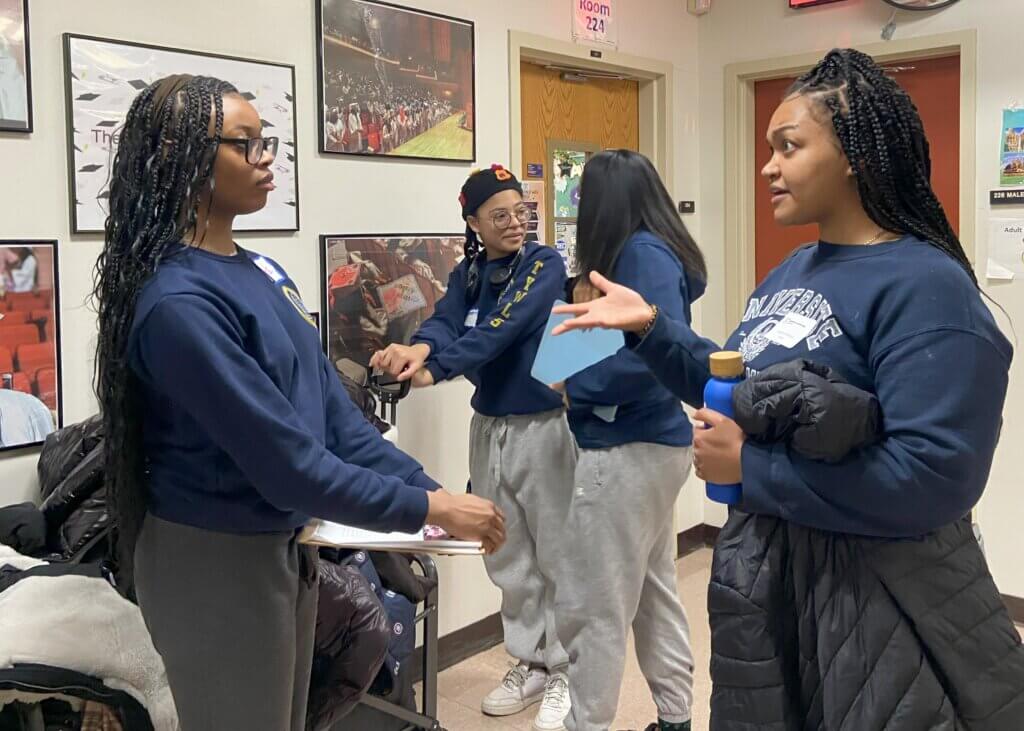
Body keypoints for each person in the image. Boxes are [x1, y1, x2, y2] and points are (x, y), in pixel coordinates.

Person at [553, 49, 1024, 729]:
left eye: (789, 146)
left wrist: (752, 469)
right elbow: (740, 386)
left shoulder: (928, 286)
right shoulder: (793, 270)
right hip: (775, 589)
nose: (768, 167)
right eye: (769, 148)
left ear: (854, 154)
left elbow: (932, 479)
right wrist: (651, 328)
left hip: (877, 607)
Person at [91, 74, 506, 731]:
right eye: (246, 144)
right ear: (182, 155)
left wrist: (429, 493)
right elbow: (289, 465)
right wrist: (430, 510)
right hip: (214, 559)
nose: (267, 159)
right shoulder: (178, 305)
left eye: (267, 142)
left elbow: (337, 421)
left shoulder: (258, 271)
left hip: (282, 543)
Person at [372, 165, 576, 731]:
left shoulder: (544, 265)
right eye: (499, 215)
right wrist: (416, 349)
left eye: (520, 212)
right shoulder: (468, 273)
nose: (514, 223)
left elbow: (499, 330)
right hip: (489, 426)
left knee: (557, 550)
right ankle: (531, 661)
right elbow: (446, 322)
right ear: (473, 223)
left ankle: (569, 668)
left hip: (544, 423)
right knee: (505, 550)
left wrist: (432, 371)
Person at [557, 150, 700, 731]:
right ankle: (675, 717)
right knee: (653, 590)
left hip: (627, 447)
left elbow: (653, 359)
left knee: (594, 603)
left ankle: (586, 723)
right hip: (650, 445)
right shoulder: (649, 250)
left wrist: (574, 385)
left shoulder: (642, 254)